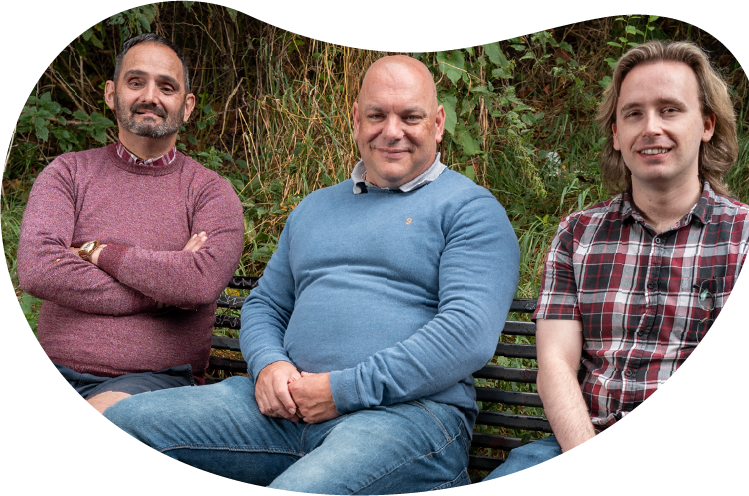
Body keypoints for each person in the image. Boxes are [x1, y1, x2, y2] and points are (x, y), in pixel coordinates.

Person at [104, 55, 519, 494]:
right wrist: (268, 365)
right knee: (122, 425)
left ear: (437, 123)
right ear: (357, 121)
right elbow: (266, 304)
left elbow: (466, 333)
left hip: (407, 419)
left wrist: (341, 391)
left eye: (410, 117)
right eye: (377, 115)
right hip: (281, 412)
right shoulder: (315, 208)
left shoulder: (470, 210)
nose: (392, 131)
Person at [484, 40, 749, 481]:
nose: (651, 128)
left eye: (670, 110)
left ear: (706, 125)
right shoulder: (579, 234)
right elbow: (555, 364)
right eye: (633, 113)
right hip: (578, 445)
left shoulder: (748, 239)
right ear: (616, 133)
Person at [17, 33, 244, 415]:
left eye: (166, 87)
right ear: (111, 93)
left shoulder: (211, 193)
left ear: (187, 106)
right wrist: (161, 289)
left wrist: (97, 252)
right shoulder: (67, 173)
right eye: (136, 82)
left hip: (156, 381)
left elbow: (199, 281)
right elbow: (39, 269)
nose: (150, 96)